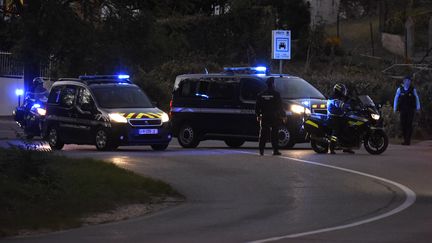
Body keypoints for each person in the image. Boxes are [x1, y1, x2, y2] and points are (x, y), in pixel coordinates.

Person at [255, 77, 286, 156]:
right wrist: (283, 116)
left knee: (263, 134)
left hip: (265, 116)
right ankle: (275, 150)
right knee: (274, 134)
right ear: (272, 84)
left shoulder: (261, 95)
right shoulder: (276, 94)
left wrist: (258, 115)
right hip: (274, 117)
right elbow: (280, 107)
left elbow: (257, 107)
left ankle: (261, 150)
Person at [393, 75, 421, 145]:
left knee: (409, 124)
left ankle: (408, 140)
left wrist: (418, 107)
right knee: (403, 124)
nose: (408, 82)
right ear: (404, 81)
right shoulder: (400, 89)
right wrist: (395, 108)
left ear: (410, 82)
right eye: (406, 81)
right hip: (402, 110)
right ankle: (405, 139)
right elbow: (396, 98)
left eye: (409, 81)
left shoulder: (412, 89)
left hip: (410, 110)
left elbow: (416, 98)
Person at [327, 83, 353, 154]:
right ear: (339, 90)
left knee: (349, 128)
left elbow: (344, 102)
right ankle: (331, 147)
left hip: (340, 116)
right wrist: (349, 106)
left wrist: (352, 101)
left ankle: (346, 147)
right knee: (336, 131)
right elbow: (341, 105)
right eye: (343, 90)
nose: (344, 92)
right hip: (333, 117)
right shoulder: (333, 98)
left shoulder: (339, 97)